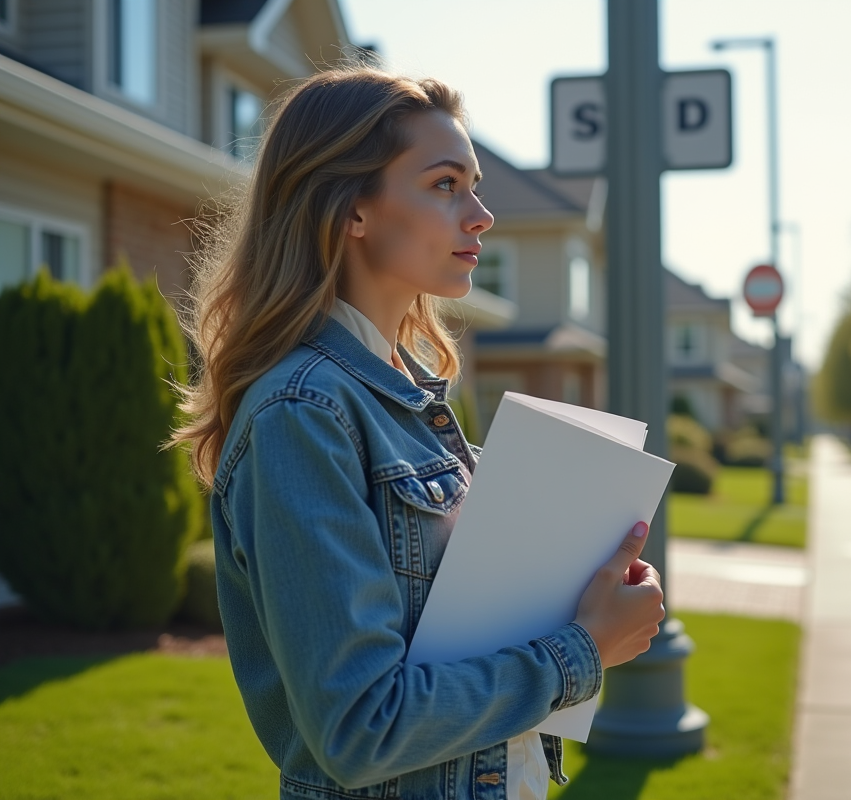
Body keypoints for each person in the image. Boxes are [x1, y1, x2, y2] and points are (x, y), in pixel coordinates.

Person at [171, 65, 665, 800]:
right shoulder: (304, 414)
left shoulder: (405, 393)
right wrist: (583, 650)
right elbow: (359, 726)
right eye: (444, 185)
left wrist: (585, 589)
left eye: (475, 185)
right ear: (352, 211)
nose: (481, 215)